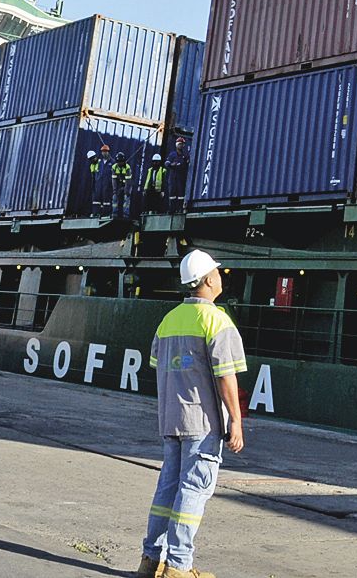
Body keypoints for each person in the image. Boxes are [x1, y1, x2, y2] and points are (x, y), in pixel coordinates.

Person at [139, 249, 246, 578]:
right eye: (218, 272)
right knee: (194, 489)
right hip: (201, 422)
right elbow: (226, 376)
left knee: (167, 489)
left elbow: (157, 363)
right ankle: (179, 567)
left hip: (169, 418)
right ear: (210, 279)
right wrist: (236, 421)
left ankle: (150, 560)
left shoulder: (169, 320)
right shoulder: (216, 320)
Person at [111, 150, 134, 219]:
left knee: (126, 198)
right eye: (118, 162)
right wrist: (115, 190)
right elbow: (114, 180)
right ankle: (114, 214)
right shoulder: (114, 167)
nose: (120, 163)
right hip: (118, 185)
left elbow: (128, 181)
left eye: (121, 161)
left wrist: (126, 191)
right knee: (115, 197)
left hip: (127, 184)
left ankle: (125, 214)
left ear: (124, 161)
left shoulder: (128, 168)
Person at [88, 146, 108, 216]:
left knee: (104, 200)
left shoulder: (101, 163)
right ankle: (95, 213)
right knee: (96, 201)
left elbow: (103, 174)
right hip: (97, 184)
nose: (93, 159)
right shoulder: (92, 166)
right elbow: (93, 176)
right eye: (91, 159)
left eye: (93, 157)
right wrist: (93, 186)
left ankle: (103, 213)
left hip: (103, 184)